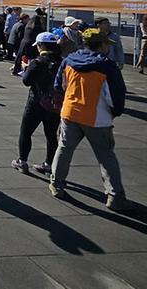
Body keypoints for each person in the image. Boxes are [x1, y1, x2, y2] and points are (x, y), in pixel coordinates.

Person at [50, 27, 133, 211]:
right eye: (106, 44)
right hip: (97, 117)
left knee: (64, 149)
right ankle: (114, 196)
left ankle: (56, 184)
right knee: (106, 156)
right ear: (101, 45)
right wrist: (116, 111)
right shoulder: (107, 66)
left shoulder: (69, 60)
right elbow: (115, 95)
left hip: (70, 112)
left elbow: (59, 85)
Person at [11, 32, 62, 175]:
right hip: (54, 104)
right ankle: (48, 164)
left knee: (26, 132)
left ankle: (22, 161)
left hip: (36, 102)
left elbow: (26, 81)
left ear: (41, 45)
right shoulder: (62, 62)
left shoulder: (37, 62)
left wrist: (26, 68)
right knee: (51, 135)